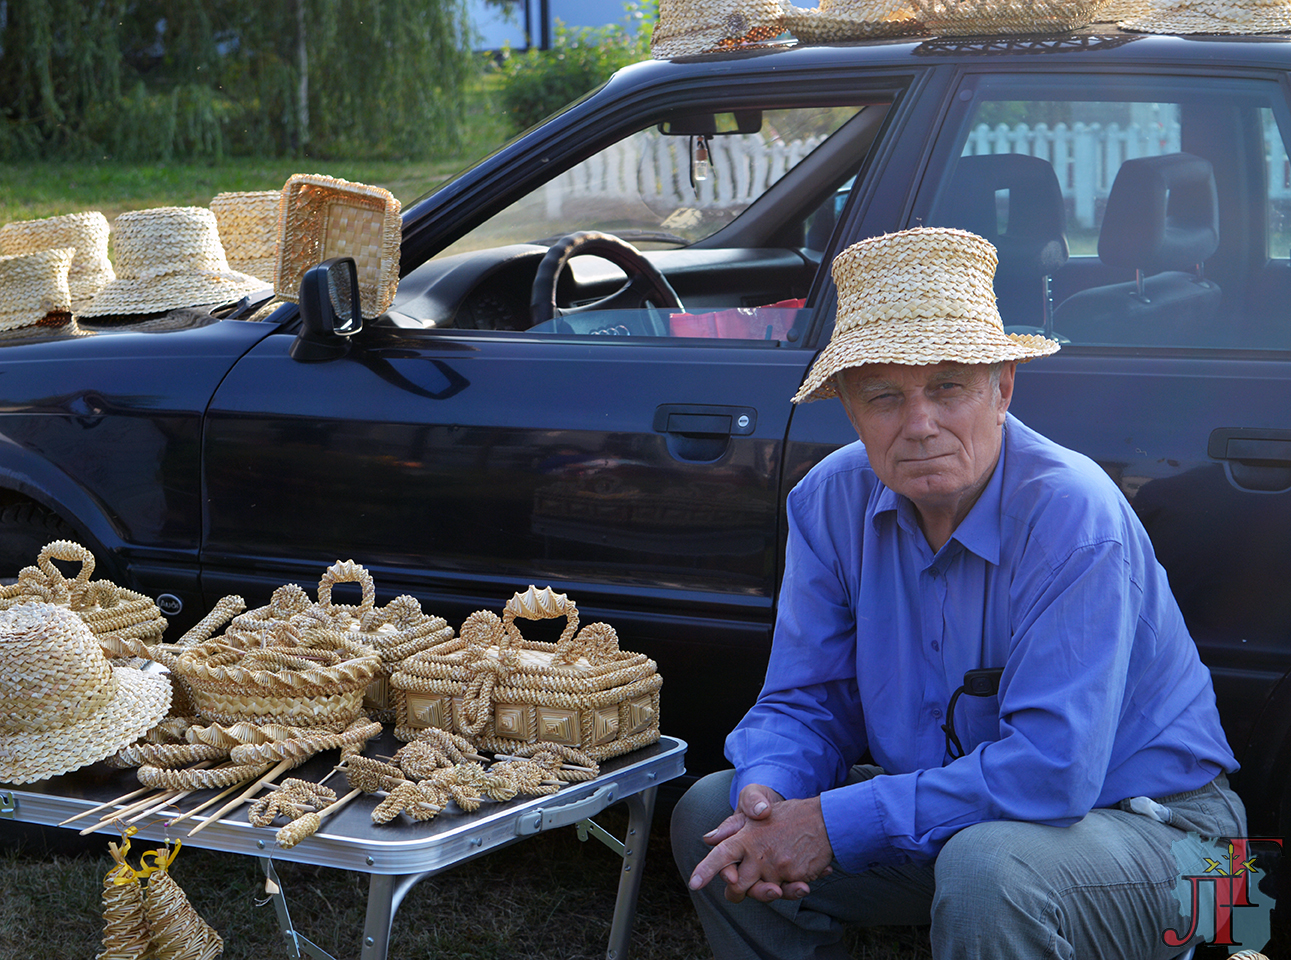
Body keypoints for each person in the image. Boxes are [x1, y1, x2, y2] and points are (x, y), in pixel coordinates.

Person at [671, 227, 1245, 960]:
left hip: (1182, 846)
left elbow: (1051, 771)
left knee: (989, 871)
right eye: (883, 395)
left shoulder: (1073, 512)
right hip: (980, 822)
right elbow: (805, 700)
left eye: (947, 386)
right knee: (710, 816)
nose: (919, 426)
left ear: (1002, 386)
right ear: (848, 406)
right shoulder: (827, 499)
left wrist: (831, 822)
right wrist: (769, 795)